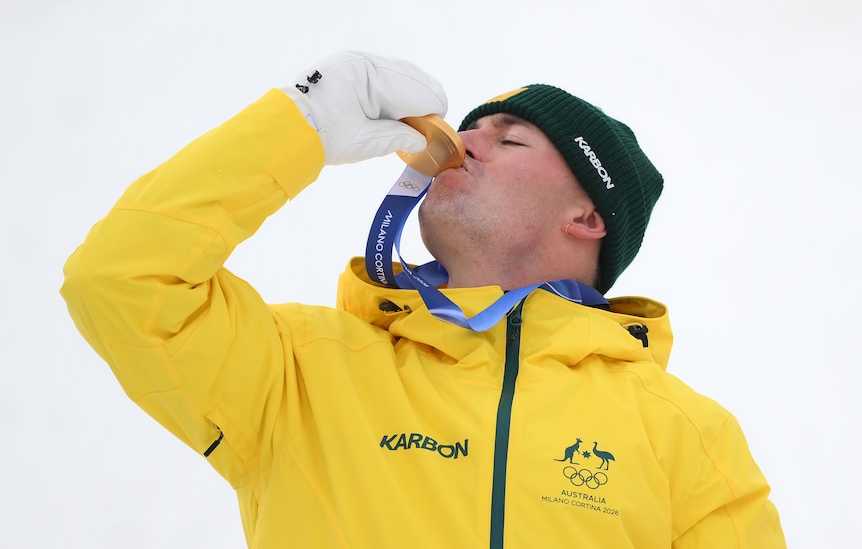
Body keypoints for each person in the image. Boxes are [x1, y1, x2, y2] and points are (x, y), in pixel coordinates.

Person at [61, 51, 786, 548]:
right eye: (465, 128)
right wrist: (300, 124)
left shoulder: (684, 433)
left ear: (588, 217)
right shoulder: (301, 373)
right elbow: (121, 279)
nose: (461, 143)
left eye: (510, 141)